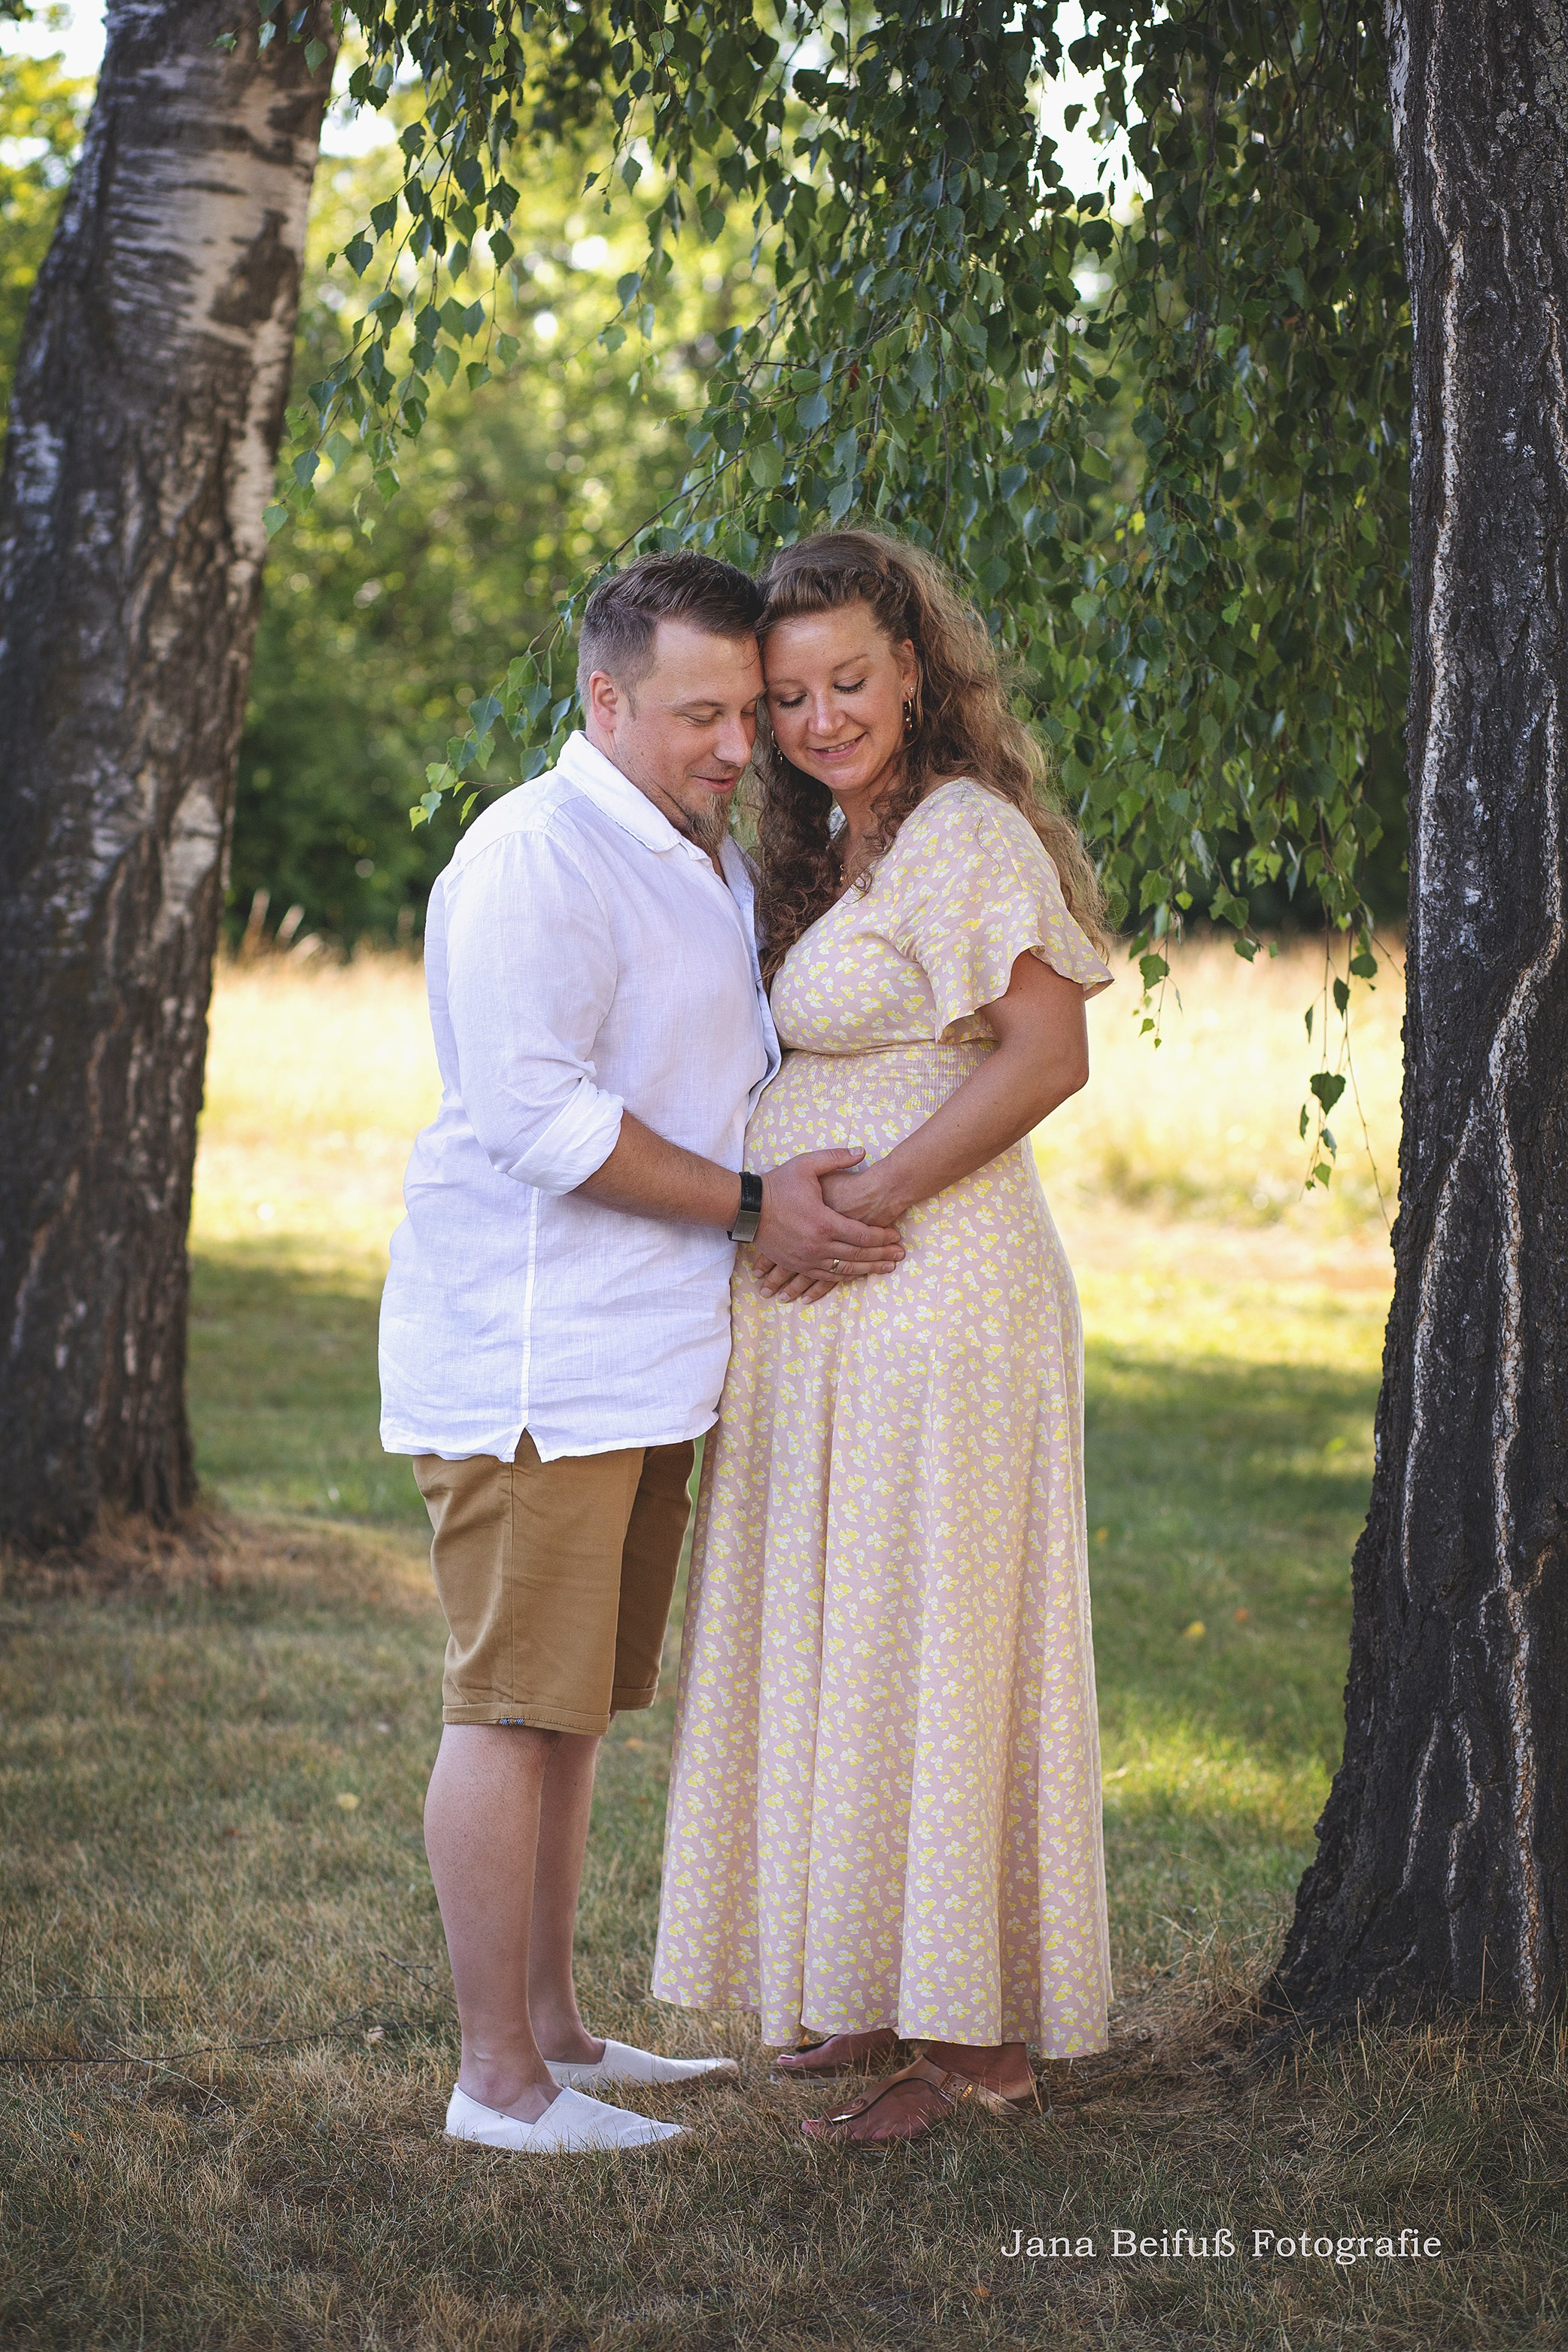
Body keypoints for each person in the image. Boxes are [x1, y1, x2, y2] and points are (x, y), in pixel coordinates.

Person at [378, 551, 904, 2155]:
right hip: (536, 1364)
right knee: (505, 1708)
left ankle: (557, 2029)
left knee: (573, 1712)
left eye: (748, 711)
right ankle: (497, 2085)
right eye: (701, 715)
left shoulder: (695, 852)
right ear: (605, 700)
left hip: (643, 1361)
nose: (741, 745)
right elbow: (538, 1118)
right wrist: (753, 1206)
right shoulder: (535, 857)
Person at [651, 530, 1115, 2144]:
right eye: (787, 698)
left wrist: (865, 1203)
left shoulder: (964, 830)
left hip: (935, 1290)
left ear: (915, 669)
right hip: (843, 1311)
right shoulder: (835, 846)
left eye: (849, 680)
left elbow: (1047, 1053)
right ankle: (871, 1977)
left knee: (936, 1635)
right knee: (857, 1634)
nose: (820, 718)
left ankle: (973, 2045)